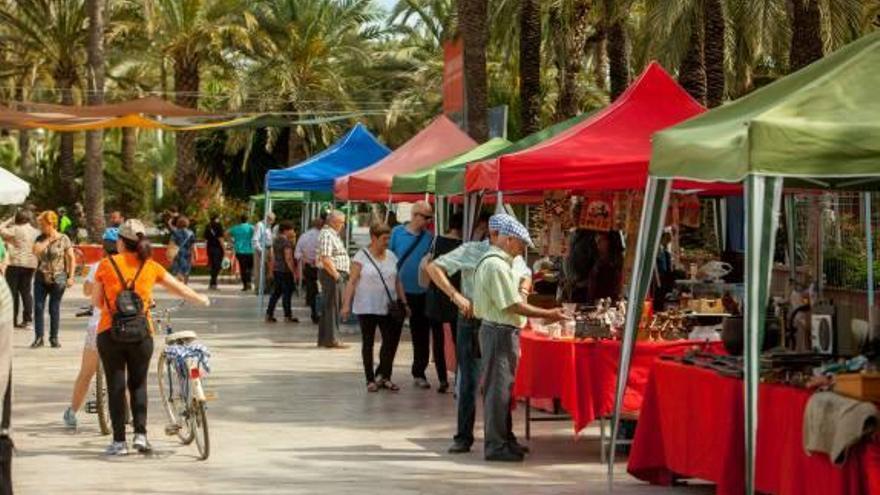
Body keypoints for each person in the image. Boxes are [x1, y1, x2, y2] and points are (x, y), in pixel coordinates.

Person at [91, 219, 209, 456]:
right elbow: (179, 288)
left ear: (122, 243)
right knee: (138, 384)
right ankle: (141, 437)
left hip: (109, 332)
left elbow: (96, 302)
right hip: (142, 333)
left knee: (116, 385)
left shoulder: (106, 264)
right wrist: (201, 299)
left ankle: (118, 443)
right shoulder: (151, 265)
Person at [425, 214, 533, 455]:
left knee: (501, 383)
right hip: (472, 319)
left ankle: (504, 437)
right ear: (493, 234)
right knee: (470, 381)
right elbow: (433, 267)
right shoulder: (472, 250)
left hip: (499, 320)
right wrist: (456, 296)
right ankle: (464, 436)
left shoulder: (512, 254)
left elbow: (526, 273)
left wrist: (524, 289)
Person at [472, 214, 567, 462]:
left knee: (504, 390)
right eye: (521, 245)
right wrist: (549, 314)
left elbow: (519, 290)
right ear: (509, 240)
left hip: (503, 331)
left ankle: (505, 439)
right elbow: (513, 305)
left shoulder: (502, 263)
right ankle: (496, 445)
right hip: (498, 332)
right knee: (497, 391)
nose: (522, 250)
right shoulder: (496, 265)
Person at [341, 223, 407, 392]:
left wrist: (404, 302)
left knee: (389, 342)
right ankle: (370, 379)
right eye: (384, 239)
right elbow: (352, 281)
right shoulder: (361, 257)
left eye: (389, 238)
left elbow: (397, 281)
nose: (387, 242)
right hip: (366, 306)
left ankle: (384, 376)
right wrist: (346, 305)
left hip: (388, 306)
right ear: (373, 238)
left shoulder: (392, 256)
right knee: (368, 343)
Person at [63, 233, 118, 429]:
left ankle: (72, 412)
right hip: (122, 327)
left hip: (98, 325)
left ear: (104, 248)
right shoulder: (131, 265)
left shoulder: (97, 266)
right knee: (124, 373)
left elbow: (87, 292)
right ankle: (127, 413)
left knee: (86, 373)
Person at [389, 200, 435, 389]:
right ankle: (384, 372)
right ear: (415, 215)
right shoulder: (397, 233)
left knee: (421, 335)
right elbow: (388, 257)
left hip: (421, 292)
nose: (428, 221)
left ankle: (419, 372)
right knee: (392, 334)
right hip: (400, 291)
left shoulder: (429, 237)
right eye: (426, 217)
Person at [424, 212, 464, 393]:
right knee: (458, 339)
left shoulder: (436, 240)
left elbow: (428, 263)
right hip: (456, 294)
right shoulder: (464, 244)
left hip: (435, 292)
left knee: (438, 340)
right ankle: (459, 378)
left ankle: (442, 380)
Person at [32, 211, 76, 349]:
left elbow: (71, 258)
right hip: (41, 276)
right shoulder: (40, 238)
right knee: (38, 307)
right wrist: (48, 240)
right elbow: (36, 251)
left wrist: (71, 276)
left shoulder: (64, 239)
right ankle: (39, 338)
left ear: (51, 224)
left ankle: (54, 338)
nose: (41, 227)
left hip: (59, 277)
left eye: (43, 225)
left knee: (54, 308)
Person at [316, 210, 350, 348]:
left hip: (333, 274)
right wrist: (336, 275)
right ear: (333, 222)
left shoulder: (331, 234)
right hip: (331, 275)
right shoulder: (327, 235)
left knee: (330, 306)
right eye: (341, 222)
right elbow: (326, 258)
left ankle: (325, 339)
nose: (343, 225)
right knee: (332, 307)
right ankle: (332, 339)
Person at [1, 212, 39, 329]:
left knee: (13, 292)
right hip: (30, 264)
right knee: (26, 292)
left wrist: (9, 220)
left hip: (15, 263)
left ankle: (12, 320)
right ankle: (27, 320)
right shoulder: (35, 231)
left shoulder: (15, 229)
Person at [266, 221, 298, 323]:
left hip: (276, 270)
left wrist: (271, 271)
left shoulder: (275, 241)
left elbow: (271, 257)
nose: (293, 232)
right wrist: (293, 272)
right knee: (287, 293)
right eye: (291, 230)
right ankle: (287, 315)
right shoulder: (286, 243)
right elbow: (288, 258)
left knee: (276, 293)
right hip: (285, 270)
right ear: (286, 230)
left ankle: (269, 314)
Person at [295, 216, 324, 323]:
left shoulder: (304, 236)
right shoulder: (324, 236)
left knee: (312, 290)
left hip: (308, 266)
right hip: (322, 267)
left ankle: (314, 313)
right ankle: (321, 313)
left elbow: (297, 253)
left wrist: (305, 259)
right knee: (322, 291)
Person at [586, 232, 623, 304]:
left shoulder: (615, 263)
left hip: (610, 302)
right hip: (597, 303)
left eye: (600, 241)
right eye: (597, 242)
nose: (598, 245)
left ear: (608, 242)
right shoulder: (596, 261)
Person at [227, 216, 255, 291]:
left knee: (243, 268)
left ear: (240, 220)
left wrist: (232, 241)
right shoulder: (251, 227)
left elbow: (226, 233)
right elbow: (256, 234)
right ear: (247, 220)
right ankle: (249, 283)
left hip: (239, 250)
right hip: (250, 250)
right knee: (249, 268)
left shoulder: (235, 228)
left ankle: (245, 285)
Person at [168, 215, 196, 284]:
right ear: (187, 223)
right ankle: (185, 285)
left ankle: (179, 286)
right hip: (187, 255)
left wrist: (170, 256)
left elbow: (171, 244)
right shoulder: (191, 233)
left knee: (178, 271)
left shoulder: (175, 233)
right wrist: (194, 255)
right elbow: (193, 246)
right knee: (186, 271)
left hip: (177, 254)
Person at [252, 212, 276, 291]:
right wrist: (261, 251)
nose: (272, 222)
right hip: (261, 249)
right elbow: (255, 240)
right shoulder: (260, 225)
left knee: (267, 269)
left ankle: (265, 288)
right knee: (259, 269)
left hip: (268, 249)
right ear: (268, 218)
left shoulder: (268, 226)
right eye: (271, 220)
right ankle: (258, 288)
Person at [204, 215, 225, 290]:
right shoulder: (218, 225)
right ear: (216, 218)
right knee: (217, 266)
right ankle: (213, 283)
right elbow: (220, 238)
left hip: (209, 247)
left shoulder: (207, 226)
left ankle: (213, 283)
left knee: (213, 265)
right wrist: (224, 249)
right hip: (217, 248)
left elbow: (206, 239)